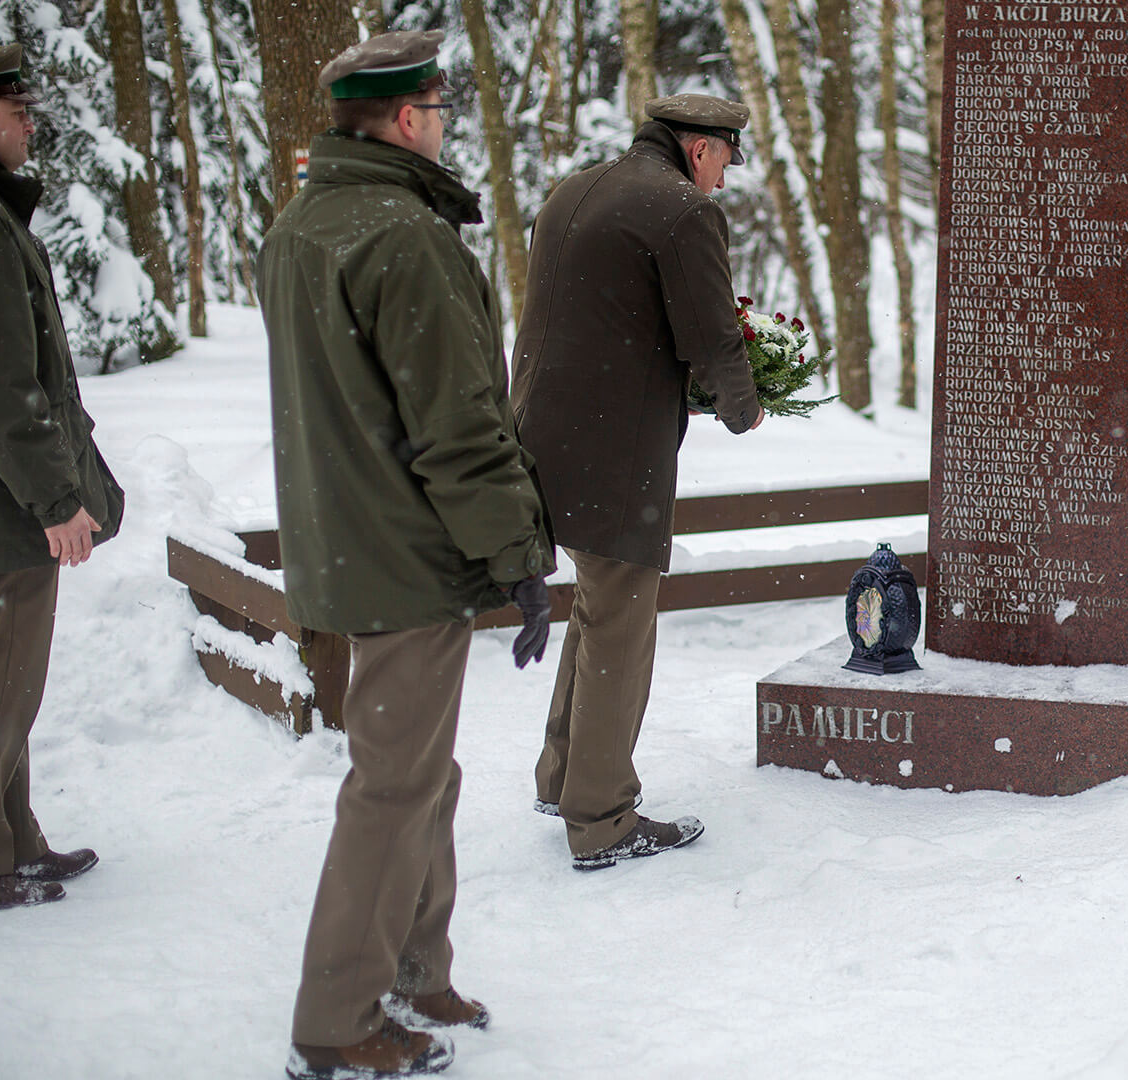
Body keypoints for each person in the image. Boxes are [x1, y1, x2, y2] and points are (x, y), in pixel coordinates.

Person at [258, 30, 556, 1080]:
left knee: (421, 770)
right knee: (393, 788)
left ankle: (417, 969)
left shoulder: (303, 224)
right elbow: (457, 424)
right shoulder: (403, 236)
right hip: (403, 551)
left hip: (347, 544)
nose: (442, 124)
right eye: (435, 108)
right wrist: (517, 553)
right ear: (402, 119)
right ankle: (337, 1021)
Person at [512, 94, 763, 872]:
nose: (723, 180)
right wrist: (743, 406)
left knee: (598, 609)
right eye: (725, 161)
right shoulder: (680, 209)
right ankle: (601, 820)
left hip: (535, 432)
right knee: (621, 624)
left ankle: (563, 778)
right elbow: (710, 333)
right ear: (699, 148)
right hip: (612, 452)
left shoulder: (575, 189)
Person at [0, 43, 124, 911]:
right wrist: (56, 499)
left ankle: (9, 837)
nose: (29, 124)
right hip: (1, 495)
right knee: (2, 680)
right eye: (15, 111)